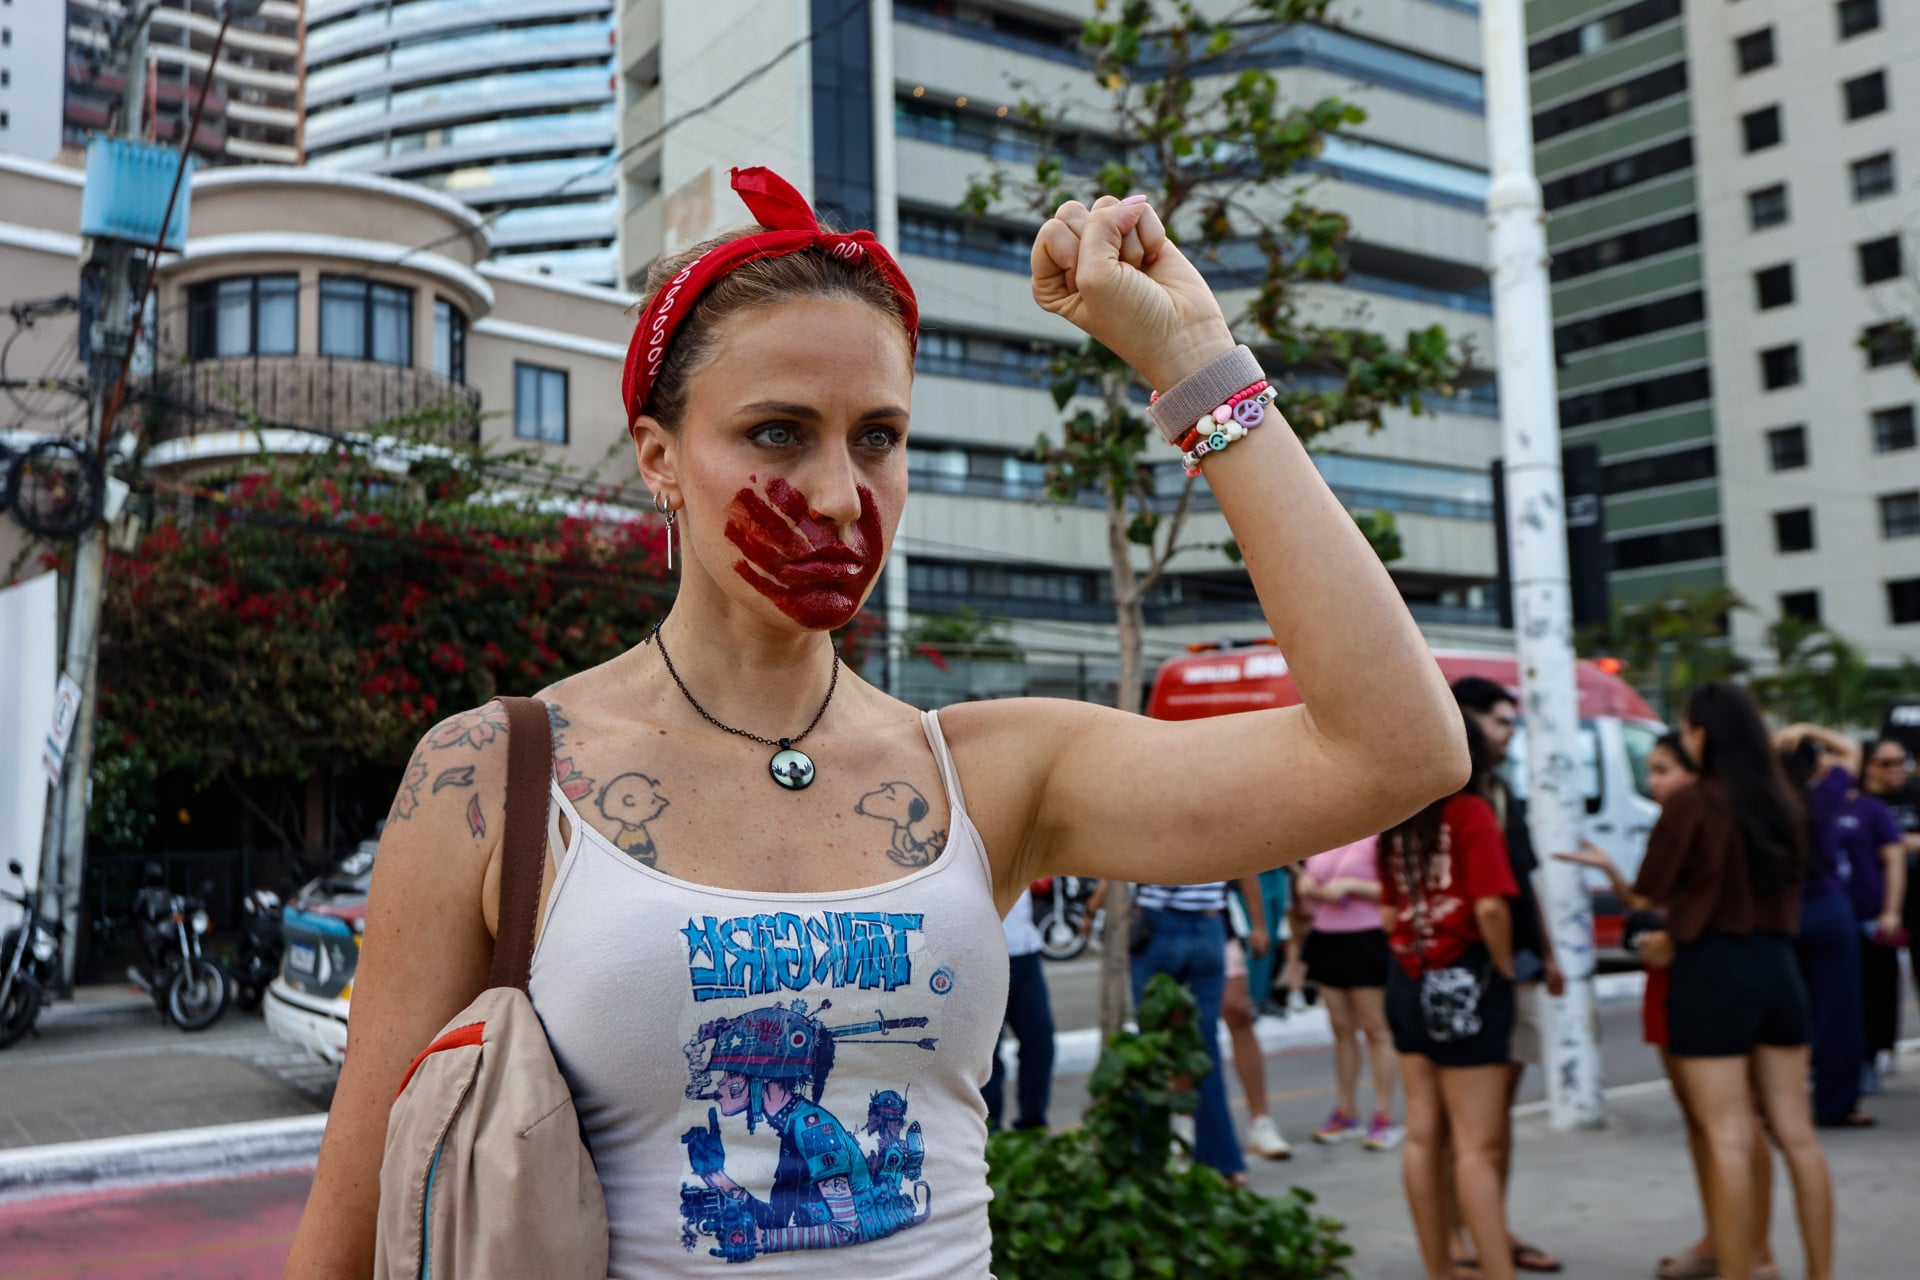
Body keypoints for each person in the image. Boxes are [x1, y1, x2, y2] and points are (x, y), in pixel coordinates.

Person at [280, 171, 1469, 1277]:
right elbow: (348, 1235)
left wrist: (1196, 359)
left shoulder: (984, 773)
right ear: (658, 457)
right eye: (777, 432)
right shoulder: (495, 777)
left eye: (879, 437)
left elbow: (1397, 750)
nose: (841, 495)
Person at [1556, 733, 1779, 1280]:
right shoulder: (1685, 819)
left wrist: (1676, 936)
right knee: (1706, 1124)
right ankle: (1720, 1241)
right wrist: (1611, 871)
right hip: (1675, 977)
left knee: (1735, 1125)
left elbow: (1711, 906)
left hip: (1708, 979)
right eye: (1651, 770)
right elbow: (1649, 900)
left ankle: (1753, 1252)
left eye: (1664, 770)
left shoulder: (1716, 816)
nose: (1653, 782)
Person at [1632, 684, 1833, 1280]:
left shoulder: (1693, 803)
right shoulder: (1785, 800)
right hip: (1779, 967)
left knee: (1728, 1136)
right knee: (1798, 1135)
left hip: (1711, 969)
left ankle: (1739, 1270)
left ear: (1701, 733)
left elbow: (1649, 891)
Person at [1381, 712, 1520, 1280]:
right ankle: (1498, 1271)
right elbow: (1490, 907)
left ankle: (1440, 1268)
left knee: (1421, 1136)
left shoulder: (1396, 818)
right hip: (1465, 981)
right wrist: (1506, 969)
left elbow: (1389, 911)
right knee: (1476, 1147)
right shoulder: (1471, 812)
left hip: (1406, 978)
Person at [1448, 676, 1563, 1276]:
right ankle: (1458, 1237)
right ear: (1465, 719)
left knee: (1496, 1117)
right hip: (1468, 972)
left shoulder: (1501, 792)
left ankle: (1493, 1226)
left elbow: (1523, 880)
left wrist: (1547, 954)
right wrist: (1500, 967)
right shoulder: (1443, 797)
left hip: (1516, 965)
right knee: (1461, 1123)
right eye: (1499, 721)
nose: (1509, 734)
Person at [1776, 723, 1903, 1117]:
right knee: (1838, 1011)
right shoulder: (1825, 798)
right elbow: (1850, 749)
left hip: (1780, 909)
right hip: (1828, 906)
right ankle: (1836, 1102)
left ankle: (1774, 1102)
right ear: (1816, 769)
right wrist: (1806, 728)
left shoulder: (1763, 804)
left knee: (1780, 1009)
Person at [1296, 834, 1400, 1152]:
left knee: (1375, 1029)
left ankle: (1383, 1115)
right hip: (1327, 938)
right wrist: (1305, 884)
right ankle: (1346, 1111)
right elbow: (1308, 878)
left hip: (1367, 938)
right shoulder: (1326, 834)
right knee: (1341, 1029)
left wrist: (1352, 886)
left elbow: (1398, 891)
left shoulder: (1380, 836)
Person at [1857, 735, 1920, 1081]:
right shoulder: (1861, 801)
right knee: (1878, 978)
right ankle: (1880, 1048)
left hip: (1916, 898)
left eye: (1901, 761)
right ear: (1868, 767)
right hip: (1878, 902)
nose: (1896, 769)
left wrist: (1893, 840)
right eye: (1887, 763)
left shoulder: (1914, 795)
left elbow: (1888, 843)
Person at [1224, 876, 1294, 1159]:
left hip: (1213, 921)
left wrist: (1259, 924)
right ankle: (1185, 1126)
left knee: (1240, 1012)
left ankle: (1261, 1121)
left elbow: (1243, 868)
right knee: (1179, 1022)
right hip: (1157, 922)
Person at [982, 888, 1054, 1133]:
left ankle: (1032, 1125)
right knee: (987, 1053)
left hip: (1024, 951)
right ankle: (990, 1131)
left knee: (1040, 1042)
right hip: (981, 954)